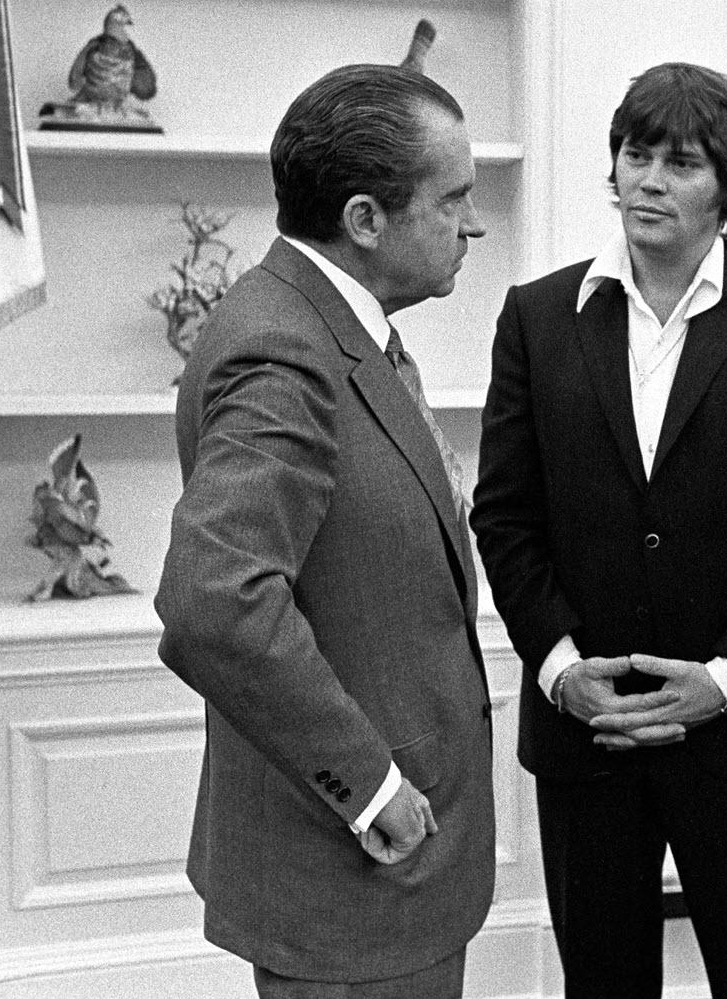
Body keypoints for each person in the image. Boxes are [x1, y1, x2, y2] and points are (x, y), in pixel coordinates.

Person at [472, 62, 727, 999]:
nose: (647, 178)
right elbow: (505, 513)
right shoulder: (538, 315)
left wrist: (725, 683)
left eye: (681, 161)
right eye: (634, 153)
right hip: (588, 731)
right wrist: (563, 671)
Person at [155, 63, 493, 998]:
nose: (473, 225)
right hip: (350, 877)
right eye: (454, 198)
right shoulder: (284, 347)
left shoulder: (333, 326)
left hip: (385, 880)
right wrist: (372, 786)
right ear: (364, 219)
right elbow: (214, 602)